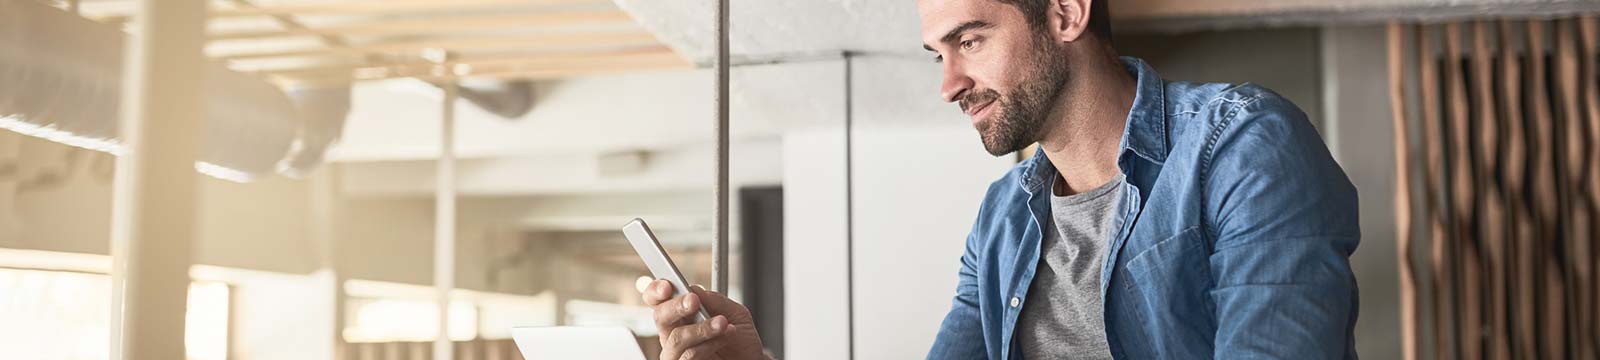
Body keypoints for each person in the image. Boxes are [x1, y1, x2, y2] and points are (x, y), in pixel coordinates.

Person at [641, 0, 1361, 358]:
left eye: (970, 40)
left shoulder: (1240, 144)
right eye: (937, 55)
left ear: (1066, 12)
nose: (949, 82)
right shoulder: (1003, 220)